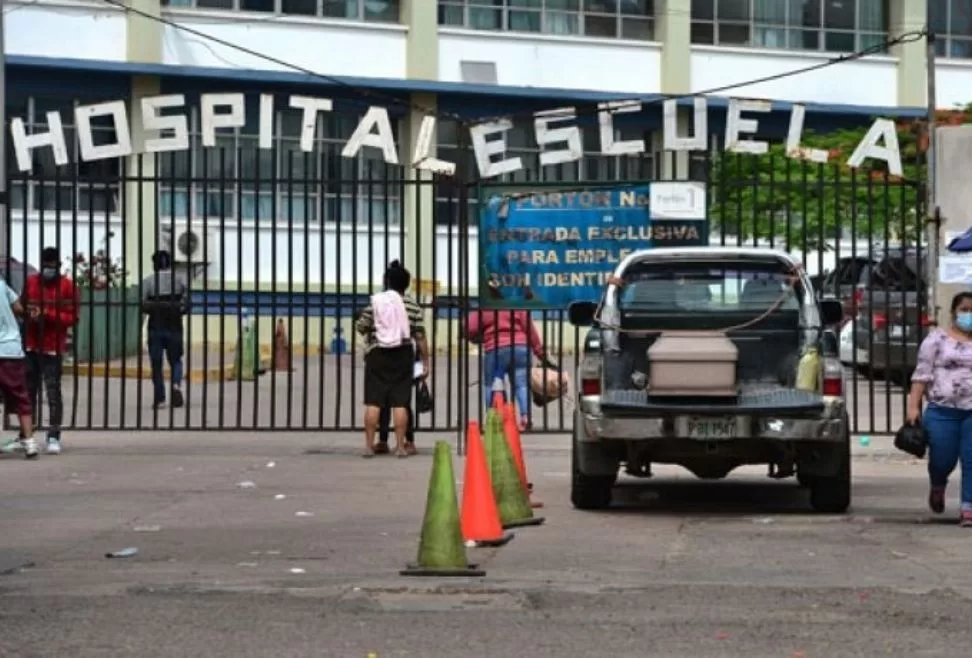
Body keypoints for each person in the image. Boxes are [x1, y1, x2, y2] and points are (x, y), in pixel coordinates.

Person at [907, 291, 972, 527]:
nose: (969, 315)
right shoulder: (936, 340)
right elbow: (921, 375)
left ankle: (968, 508)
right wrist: (913, 406)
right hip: (942, 410)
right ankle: (938, 484)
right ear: (954, 311)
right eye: (965, 310)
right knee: (941, 459)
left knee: (971, 459)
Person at [355, 260, 429, 458]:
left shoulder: (376, 302)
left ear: (387, 281)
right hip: (403, 353)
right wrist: (425, 361)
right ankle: (401, 447)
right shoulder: (412, 306)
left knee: (374, 401)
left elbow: (361, 326)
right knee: (400, 402)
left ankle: (370, 446)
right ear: (406, 284)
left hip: (377, 354)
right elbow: (420, 335)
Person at [22, 247, 79, 455]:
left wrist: (48, 314)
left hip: (53, 346)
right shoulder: (32, 282)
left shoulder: (67, 286)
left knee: (53, 393)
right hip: (31, 344)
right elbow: (22, 305)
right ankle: (27, 435)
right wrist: (31, 313)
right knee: (28, 392)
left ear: (58, 266)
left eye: (51, 266)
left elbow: (72, 317)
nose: (48, 270)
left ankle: (53, 435)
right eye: (45, 266)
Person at [465, 308, 545, 430]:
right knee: (521, 385)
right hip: (520, 348)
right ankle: (526, 416)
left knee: (491, 384)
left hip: (495, 348)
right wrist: (539, 350)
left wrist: (476, 338)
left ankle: (494, 418)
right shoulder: (516, 302)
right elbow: (529, 328)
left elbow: (470, 328)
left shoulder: (487, 304)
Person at [141, 250, 188, 410]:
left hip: (156, 326)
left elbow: (143, 305)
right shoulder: (180, 280)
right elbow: (186, 303)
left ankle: (160, 398)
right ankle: (176, 385)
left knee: (156, 363)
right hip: (174, 325)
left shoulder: (148, 282)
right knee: (176, 360)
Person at [0, 273, 38, 459]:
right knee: (21, 398)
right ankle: (30, 444)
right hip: (11, 350)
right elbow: (18, 308)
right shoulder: (3, 286)